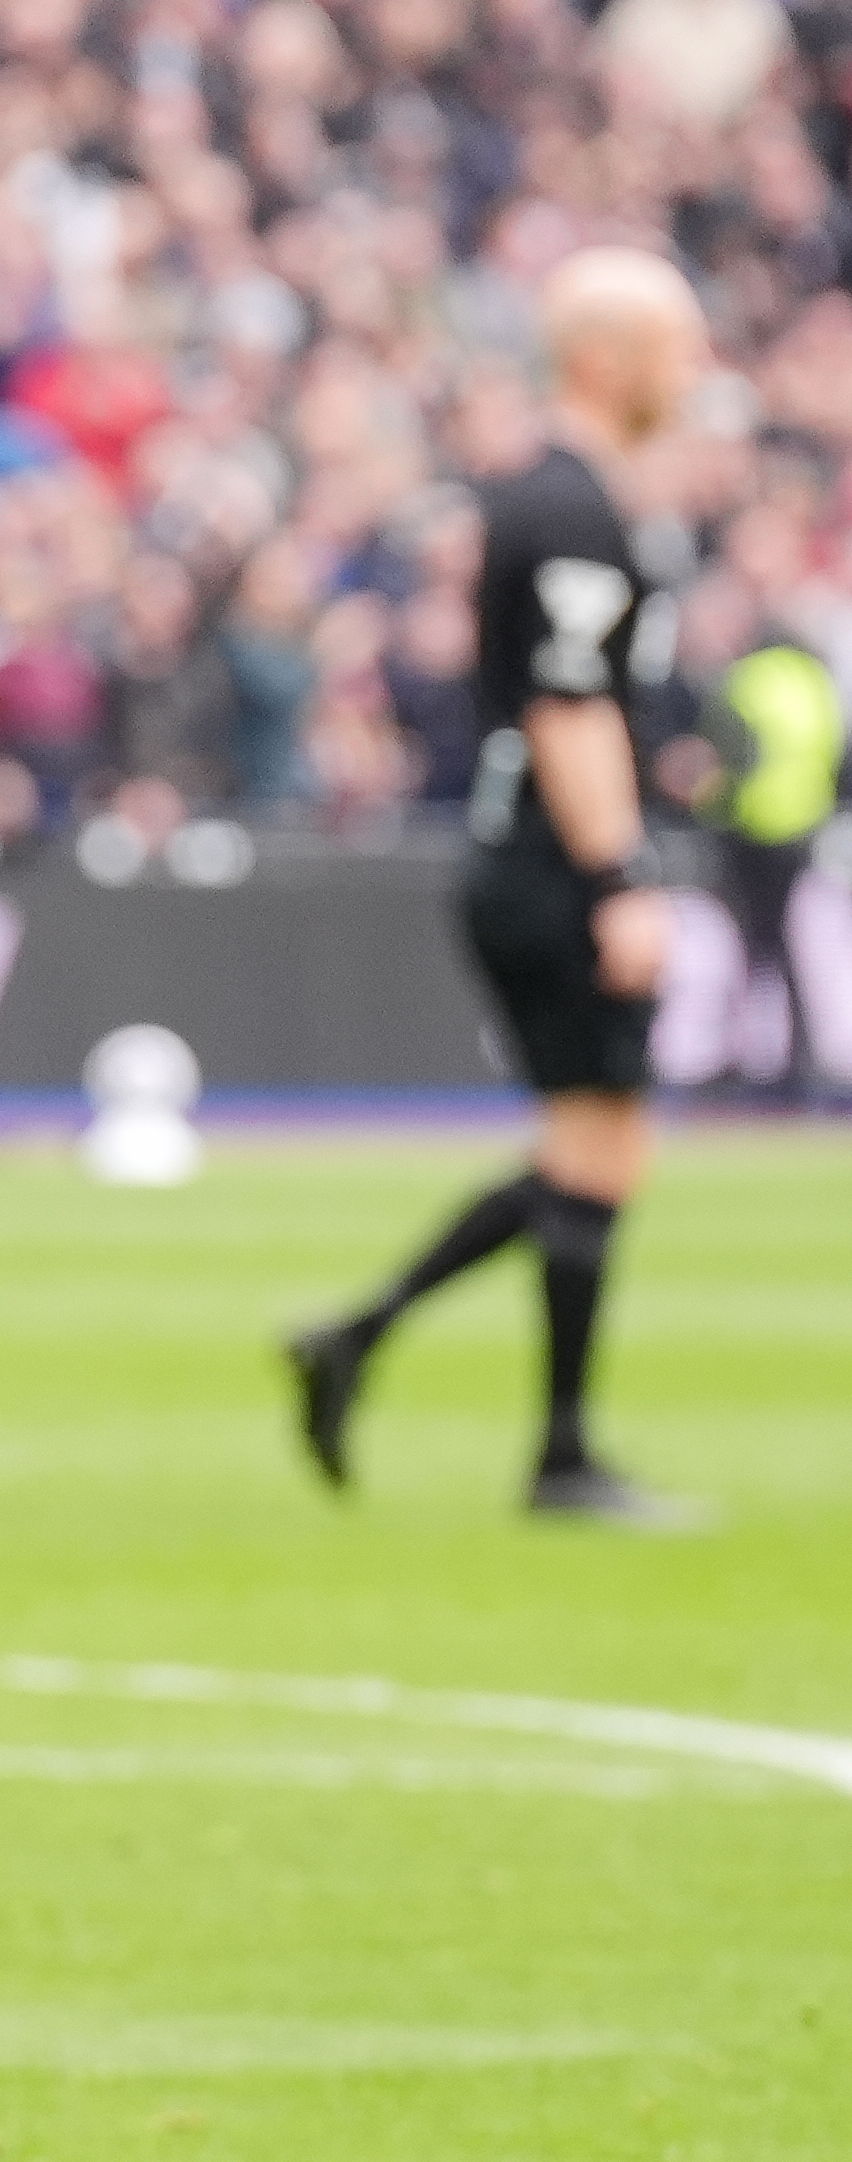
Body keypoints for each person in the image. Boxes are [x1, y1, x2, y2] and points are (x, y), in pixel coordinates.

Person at [287, 249, 714, 1524]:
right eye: (671, 345)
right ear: (601, 356)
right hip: (547, 860)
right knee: (596, 1146)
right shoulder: (568, 506)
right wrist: (619, 873)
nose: (689, 371)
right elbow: (566, 706)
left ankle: (368, 1343)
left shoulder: (565, 498)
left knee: (591, 1152)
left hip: (530, 852)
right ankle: (550, 1449)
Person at [694, 571, 836, 1102]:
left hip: (748, 832)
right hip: (802, 831)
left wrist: (714, 809)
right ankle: (795, 1061)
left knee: (750, 951)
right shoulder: (813, 680)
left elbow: (725, 759)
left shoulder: (746, 679)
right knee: (786, 949)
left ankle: (746, 1059)